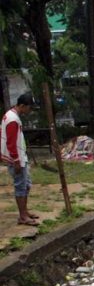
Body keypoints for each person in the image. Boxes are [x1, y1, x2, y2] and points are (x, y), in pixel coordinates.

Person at [1, 93, 38, 226]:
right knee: (21, 186)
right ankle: (22, 216)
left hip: (20, 156)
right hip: (16, 159)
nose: (30, 111)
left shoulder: (12, 116)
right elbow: (11, 142)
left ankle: (25, 211)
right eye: (29, 108)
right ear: (22, 106)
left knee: (26, 184)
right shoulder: (13, 120)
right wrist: (16, 160)